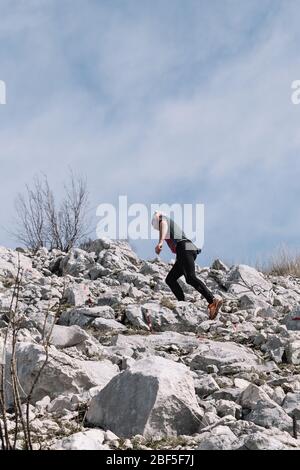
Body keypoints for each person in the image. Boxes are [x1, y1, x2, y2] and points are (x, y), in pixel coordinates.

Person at [152, 211, 222, 319]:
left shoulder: (163, 220)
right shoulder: (171, 227)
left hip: (185, 247)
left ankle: (212, 301)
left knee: (190, 277)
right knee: (170, 279)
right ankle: (182, 303)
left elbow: (163, 225)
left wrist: (160, 242)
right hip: (186, 249)